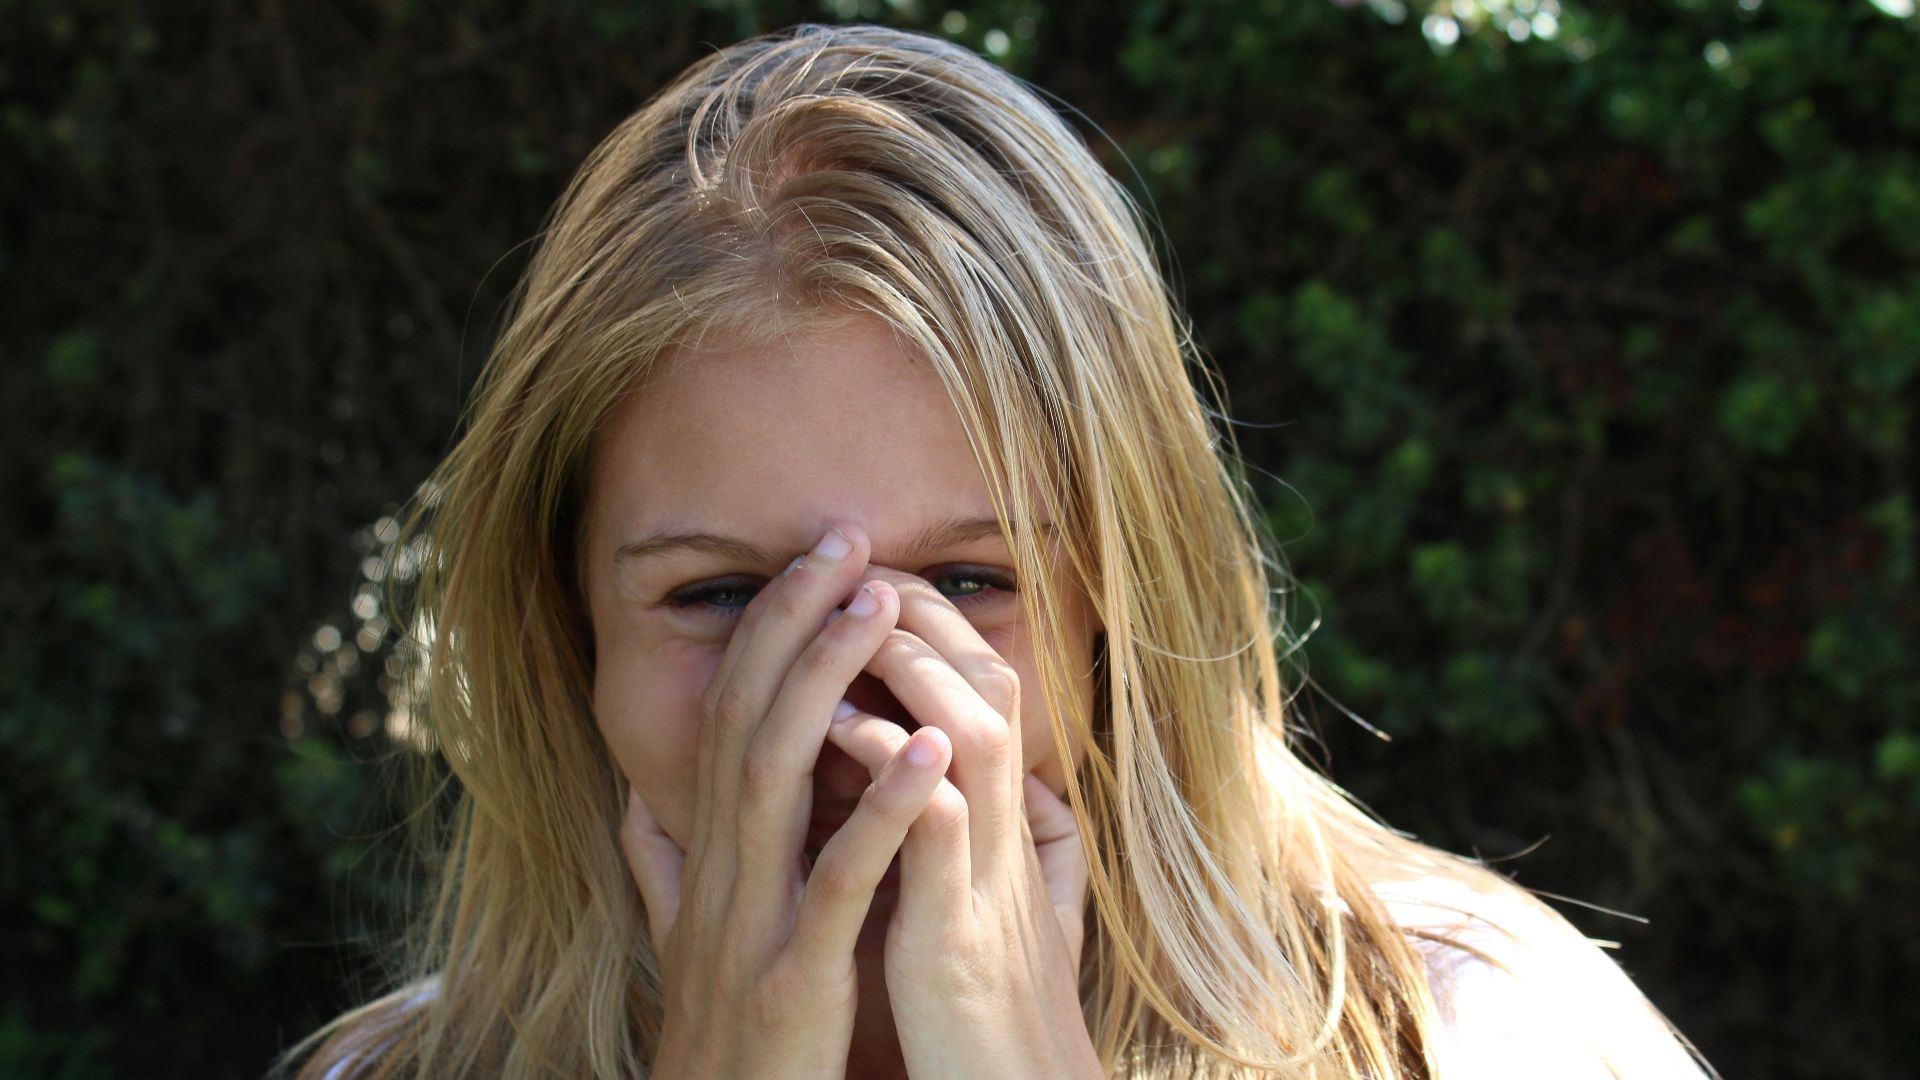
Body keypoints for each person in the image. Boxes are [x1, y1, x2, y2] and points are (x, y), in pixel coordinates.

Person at [276, 22, 1716, 1080]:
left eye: (969, 583)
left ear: (1118, 596)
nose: (855, 707)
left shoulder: (1471, 1033)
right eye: (721, 597)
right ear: (565, 629)